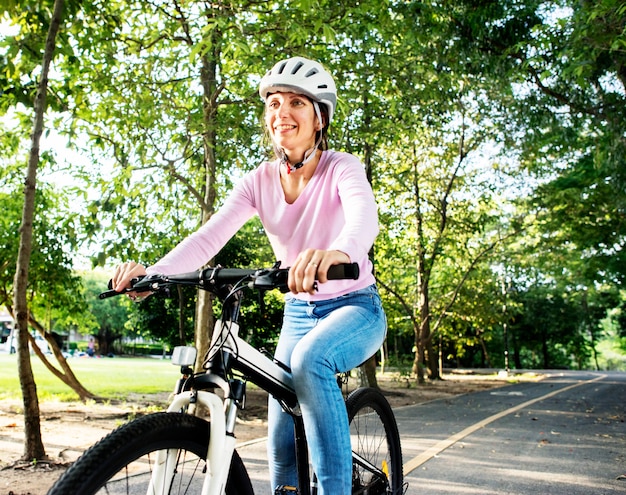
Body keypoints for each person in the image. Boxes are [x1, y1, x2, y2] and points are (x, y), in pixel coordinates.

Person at [111, 56, 387, 495]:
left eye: (297, 102)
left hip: (356, 305)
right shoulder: (258, 180)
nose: (282, 113)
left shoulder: (342, 167)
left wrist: (336, 252)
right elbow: (208, 239)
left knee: (311, 360)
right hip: (299, 311)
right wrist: (155, 273)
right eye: (274, 102)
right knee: (281, 442)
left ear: (319, 118)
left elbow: (363, 219)